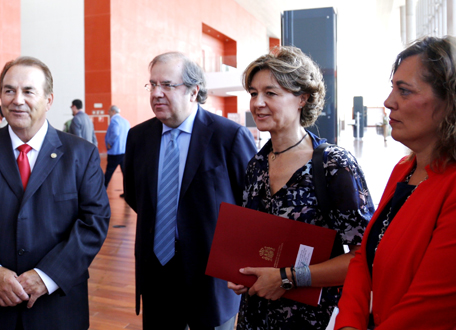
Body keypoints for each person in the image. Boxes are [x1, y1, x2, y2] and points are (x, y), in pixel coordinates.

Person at [227, 46, 374, 330]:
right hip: (255, 316)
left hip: (311, 319)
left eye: (270, 93)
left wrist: (286, 278)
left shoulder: (333, 164)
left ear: (302, 99)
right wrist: (242, 272)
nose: (258, 103)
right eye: (253, 93)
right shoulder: (256, 165)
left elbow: (364, 256)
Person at [0, 56, 110, 330]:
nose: (17, 99)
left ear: (49, 100)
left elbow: (94, 222)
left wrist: (47, 275)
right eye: (9, 90)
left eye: (28, 91)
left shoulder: (82, 154)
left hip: (57, 308)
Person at [124, 52, 256, 330]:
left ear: (194, 91)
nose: (157, 93)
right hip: (156, 269)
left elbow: (252, 204)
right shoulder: (138, 137)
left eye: (167, 85)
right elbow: (136, 197)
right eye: (152, 85)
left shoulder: (229, 136)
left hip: (211, 275)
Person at [335, 36, 456, 330]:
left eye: (404, 91)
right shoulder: (404, 169)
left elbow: (429, 307)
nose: (389, 102)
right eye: (393, 89)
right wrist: (349, 323)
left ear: (449, 103)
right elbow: (364, 257)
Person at [104, 105, 130, 189]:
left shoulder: (114, 120)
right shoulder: (125, 121)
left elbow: (115, 133)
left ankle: (102, 189)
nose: (108, 113)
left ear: (113, 111)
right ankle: (127, 191)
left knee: (109, 171)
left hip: (115, 151)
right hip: (124, 151)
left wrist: (109, 143)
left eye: (109, 111)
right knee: (125, 172)